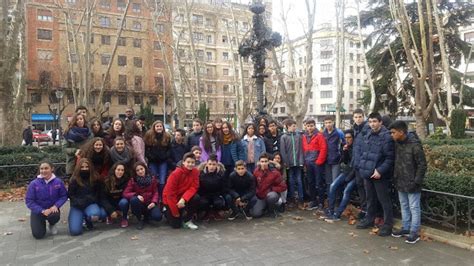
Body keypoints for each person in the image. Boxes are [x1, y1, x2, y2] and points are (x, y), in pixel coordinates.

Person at [354, 112, 395, 237]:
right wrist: (362, 167)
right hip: (367, 173)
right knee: (370, 198)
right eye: (370, 122)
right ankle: (369, 219)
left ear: (380, 122)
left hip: (379, 174)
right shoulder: (368, 135)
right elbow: (363, 153)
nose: (372, 124)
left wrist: (380, 171)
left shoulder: (387, 137)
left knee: (384, 200)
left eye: (375, 121)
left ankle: (388, 224)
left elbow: (390, 158)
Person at [389, 121, 427, 244]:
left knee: (414, 207)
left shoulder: (415, 144)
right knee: (404, 206)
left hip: (412, 183)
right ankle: (405, 228)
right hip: (400, 181)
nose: (392, 135)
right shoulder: (397, 143)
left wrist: (416, 182)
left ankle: (414, 232)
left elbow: (422, 165)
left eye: (393, 132)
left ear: (401, 132)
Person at [25, 161, 68, 239]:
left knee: (55, 215)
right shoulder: (34, 184)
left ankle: (52, 224)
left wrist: (56, 206)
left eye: (46, 168)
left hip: (52, 210)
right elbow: (29, 201)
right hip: (38, 211)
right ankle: (41, 223)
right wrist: (42, 211)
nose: (43, 171)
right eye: (41, 169)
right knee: (38, 235)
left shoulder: (58, 182)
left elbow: (64, 196)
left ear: (52, 169)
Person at [68, 158, 107, 236]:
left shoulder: (96, 178)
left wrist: (90, 200)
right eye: (82, 167)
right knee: (75, 231)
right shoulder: (74, 180)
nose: (85, 169)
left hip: (90, 204)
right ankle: (79, 218)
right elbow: (71, 195)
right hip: (77, 206)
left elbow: (99, 194)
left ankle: (87, 220)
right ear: (79, 168)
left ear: (90, 167)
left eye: (87, 167)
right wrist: (79, 202)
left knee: (96, 214)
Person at [162, 152, 200, 230]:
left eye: (192, 162)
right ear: (183, 162)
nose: (190, 164)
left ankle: (187, 219)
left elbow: (194, 187)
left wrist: (183, 199)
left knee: (196, 197)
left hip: (183, 197)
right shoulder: (175, 174)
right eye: (188, 162)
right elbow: (170, 194)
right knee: (176, 225)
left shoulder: (195, 172)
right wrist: (175, 212)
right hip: (171, 199)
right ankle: (166, 211)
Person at [325, 130, 356, 221]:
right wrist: (345, 151)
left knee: (346, 191)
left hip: (355, 174)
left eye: (349, 138)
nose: (347, 140)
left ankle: (337, 214)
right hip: (346, 172)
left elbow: (356, 165)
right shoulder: (345, 146)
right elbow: (344, 161)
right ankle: (330, 211)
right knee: (332, 186)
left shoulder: (357, 148)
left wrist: (349, 178)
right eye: (346, 138)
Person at [123, 162, 162, 230]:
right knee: (134, 200)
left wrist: (154, 202)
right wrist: (136, 195)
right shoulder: (133, 180)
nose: (140, 171)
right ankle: (139, 219)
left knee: (158, 217)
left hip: (150, 203)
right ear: (135, 172)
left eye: (141, 169)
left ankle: (147, 217)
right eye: (137, 170)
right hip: (140, 204)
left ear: (145, 169)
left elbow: (155, 192)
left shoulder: (152, 178)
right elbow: (125, 193)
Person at [250, 153, 287, 218]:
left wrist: (272, 189)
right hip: (260, 196)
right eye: (262, 161)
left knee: (272, 196)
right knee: (255, 214)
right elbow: (253, 185)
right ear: (259, 162)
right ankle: (264, 208)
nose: (264, 163)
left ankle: (271, 210)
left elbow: (283, 187)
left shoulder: (275, 172)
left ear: (268, 162)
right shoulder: (256, 171)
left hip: (271, 194)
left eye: (265, 161)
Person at [301, 119, 327, 210]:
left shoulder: (319, 135)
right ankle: (313, 201)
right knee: (310, 182)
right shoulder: (304, 136)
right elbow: (304, 150)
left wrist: (319, 161)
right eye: (308, 126)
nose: (310, 128)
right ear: (306, 126)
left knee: (319, 183)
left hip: (317, 163)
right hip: (308, 163)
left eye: (311, 125)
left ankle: (321, 202)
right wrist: (304, 162)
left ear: (314, 126)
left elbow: (323, 149)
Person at [279, 119, 305, 209]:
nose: (295, 127)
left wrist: (301, 161)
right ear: (288, 126)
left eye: (295, 126)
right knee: (291, 181)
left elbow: (301, 150)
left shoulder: (298, 136)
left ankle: (301, 199)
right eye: (293, 126)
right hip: (289, 163)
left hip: (298, 163)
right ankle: (292, 199)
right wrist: (286, 162)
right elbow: (283, 151)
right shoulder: (284, 137)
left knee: (299, 180)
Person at [351, 108, 370, 220]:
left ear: (363, 117)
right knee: (360, 187)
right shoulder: (355, 129)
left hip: (365, 164)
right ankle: (364, 209)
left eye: (360, 117)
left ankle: (369, 211)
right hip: (357, 164)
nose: (358, 119)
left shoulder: (367, 128)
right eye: (356, 117)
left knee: (367, 188)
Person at [144, 120, 172, 195]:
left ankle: (161, 196)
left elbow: (169, 149)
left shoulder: (167, 136)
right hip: (153, 161)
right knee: (154, 180)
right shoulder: (149, 135)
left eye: (160, 126)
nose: (159, 128)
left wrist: (165, 156)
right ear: (154, 127)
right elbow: (146, 149)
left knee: (162, 181)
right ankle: (154, 196)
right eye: (157, 126)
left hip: (163, 161)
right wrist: (150, 157)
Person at [197, 154, 227, 221]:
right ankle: (206, 212)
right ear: (207, 164)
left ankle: (215, 212)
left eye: (214, 164)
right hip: (204, 195)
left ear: (217, 165)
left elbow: (224, 187)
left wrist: (221, 196)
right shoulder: (201, 173)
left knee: (219, 203)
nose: (211, 166)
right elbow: (198, 187)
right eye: (210, 164)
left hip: (216, 195)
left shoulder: (221, 173)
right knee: (203, 202)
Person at [100, 163, 130, 228]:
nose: (120, 172)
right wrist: (111, 210)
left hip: (120, 202)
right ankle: (109, 215)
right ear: (114, 170)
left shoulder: (127, 180)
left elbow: (127, 195)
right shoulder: (106, 181)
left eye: (122, 170)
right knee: (102, 214)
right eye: (118, 170)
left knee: (124, 202)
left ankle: (124, 218)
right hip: (110, 203)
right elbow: (103, 198)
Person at [323, 116, 345, 185]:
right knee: (328, 181)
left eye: (329, 122)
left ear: (333, 122)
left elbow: (344, 143)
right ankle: (330, 196)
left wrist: (341, 155)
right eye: (326, 123)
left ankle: (336, 196)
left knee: (335, 181)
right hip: (326, 160)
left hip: (336, 160)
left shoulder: (339, 132)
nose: (328, 124)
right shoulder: (323, 134)